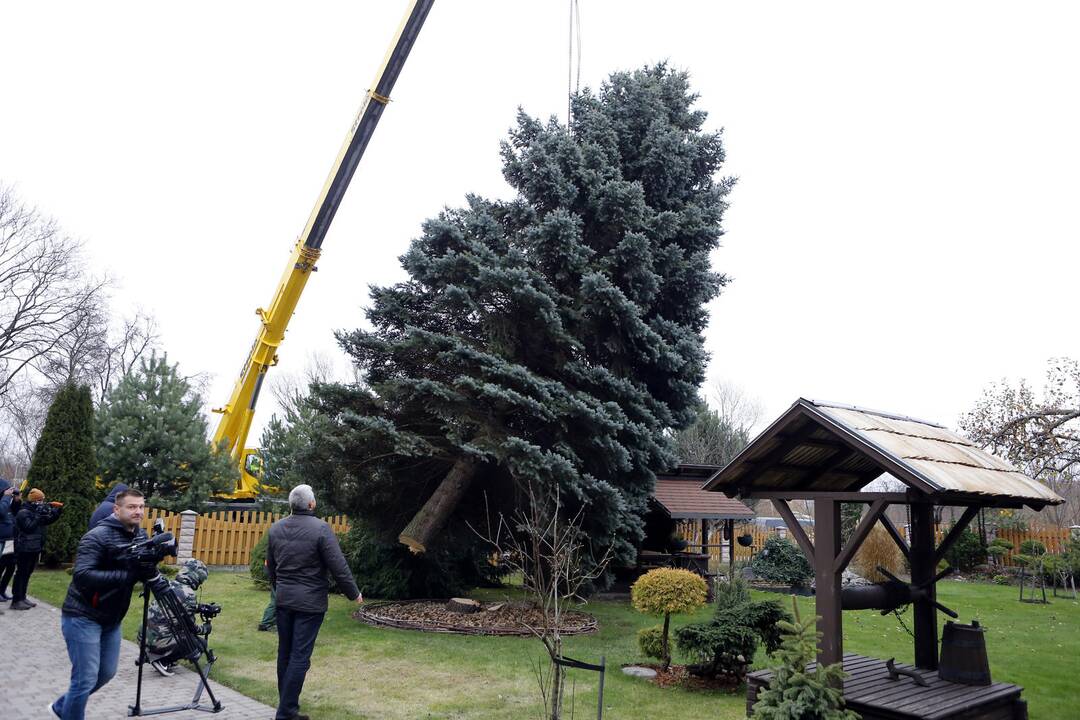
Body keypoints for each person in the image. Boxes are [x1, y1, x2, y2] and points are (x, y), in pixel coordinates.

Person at [49, 487, 155, 720]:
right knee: (84, 678)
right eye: (132, 507)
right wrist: (126, 575)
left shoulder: (140, 535)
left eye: (141, 507)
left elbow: (140, 568)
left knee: (106, 673)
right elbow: (83, 575)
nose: (138, 512)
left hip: (112, 618)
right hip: (82, 616)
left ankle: (62, 706)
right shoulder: (97, 536)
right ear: (116, 509)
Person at [267, 484, 362, 720]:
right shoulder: (320, 529)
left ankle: (287, 706)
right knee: (300, 656)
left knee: (285, 653)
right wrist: (354, 593)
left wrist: (279, 589)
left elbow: (271, 566)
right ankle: (286, 711)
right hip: (310, 604)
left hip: (284, 600)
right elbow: (338, 566)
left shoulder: (276, 529)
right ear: (311, 504)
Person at [140, 558, 210, 676]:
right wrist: (205, 629)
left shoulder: (168, 584)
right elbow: (190, 627)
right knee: (198, 644)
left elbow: (174, 607)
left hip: (143, 637)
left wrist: (198, 608)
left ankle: (159, 655)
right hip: (157, 641)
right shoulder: (188, 594)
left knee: (176, 631)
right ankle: (163, 660)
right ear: (196, 577)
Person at [10, 488, 63, 610]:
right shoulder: (23, 512)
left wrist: (56, 513)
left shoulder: (36, 511)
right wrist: (38, 516)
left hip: (34, 547)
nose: (42, 502)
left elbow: (46, 521)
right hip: (24, 547)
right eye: (40, 500)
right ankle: (16, 600)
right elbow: (29, 527)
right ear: (34, 500)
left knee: (28, 573)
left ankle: (23, 597)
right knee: (21, 573)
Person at [0, 478, 20, 604]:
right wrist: (6, 497)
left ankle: (2, 590)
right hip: (1, 541)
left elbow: (14, 513)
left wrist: (16, 501)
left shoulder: (6, 502)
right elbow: (1, 511)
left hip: (9, 541)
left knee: (11, 566)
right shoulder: (3, 501)